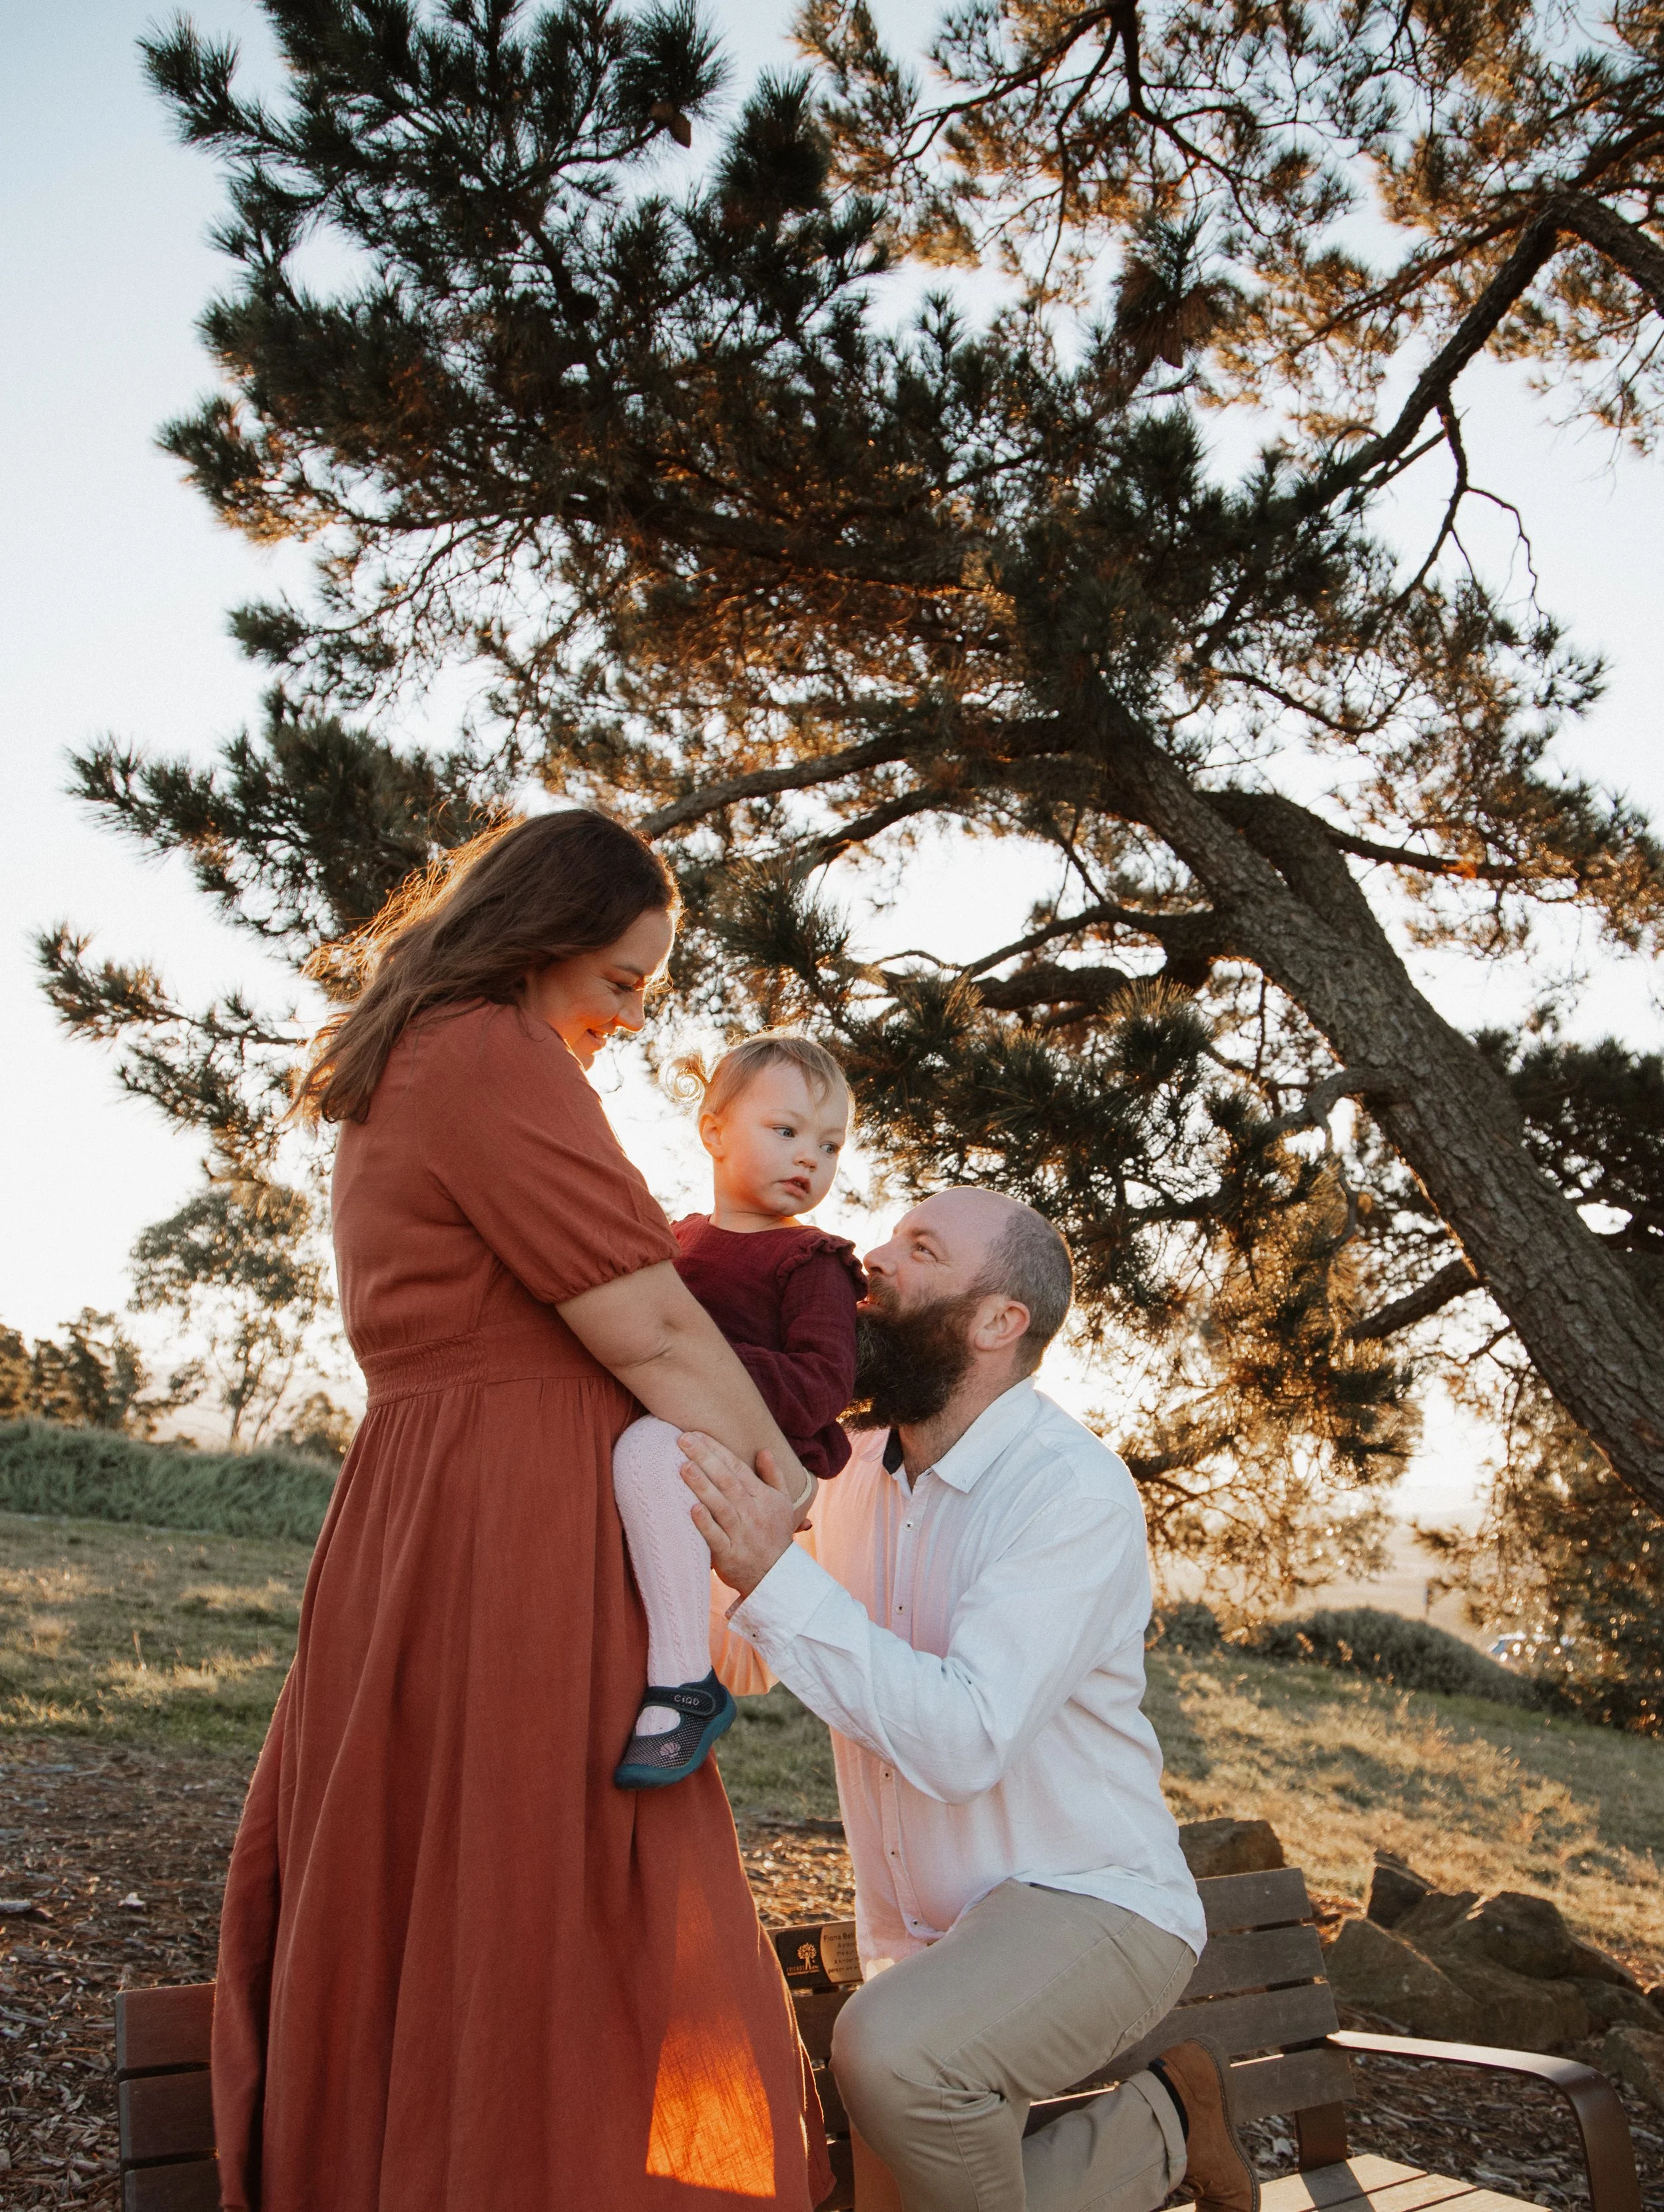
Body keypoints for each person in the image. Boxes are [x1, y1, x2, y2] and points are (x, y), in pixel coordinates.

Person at [210, 810, 833, 2212]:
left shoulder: (417, 1056)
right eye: (619, 982)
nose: (626, 1017)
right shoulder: (490, 1056)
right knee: (542, 1875)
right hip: (509, 1521)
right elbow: (658, 1335)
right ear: (543, 943)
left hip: (444, 1505)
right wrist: (773, 1488)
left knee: (479, 1863)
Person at [682, 1187, 1261, 2212]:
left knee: (894, 2052)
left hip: (1099, 1901)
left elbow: (962, 1740)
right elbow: (748, 1663)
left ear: (999, 1322)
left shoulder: (1069, 1492)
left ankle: (1160, 2120)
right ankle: (1163, 2123)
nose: (873, 1259)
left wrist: (776, 1575)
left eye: (919, 1248)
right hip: (919, 1949)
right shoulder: (850, 1467)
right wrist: (696, 1555)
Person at [612, 1031, 864, 1787]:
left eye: (828, 1145)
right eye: (785, 1132)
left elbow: (823, 1386)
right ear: (713, 1131)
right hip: (664, 1452)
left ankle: (686, 1683)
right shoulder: (674, 1241)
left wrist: (694, 1366)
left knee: (650, 1448)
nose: (808, 1159)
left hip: (746, 1466)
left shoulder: (812, 1262)